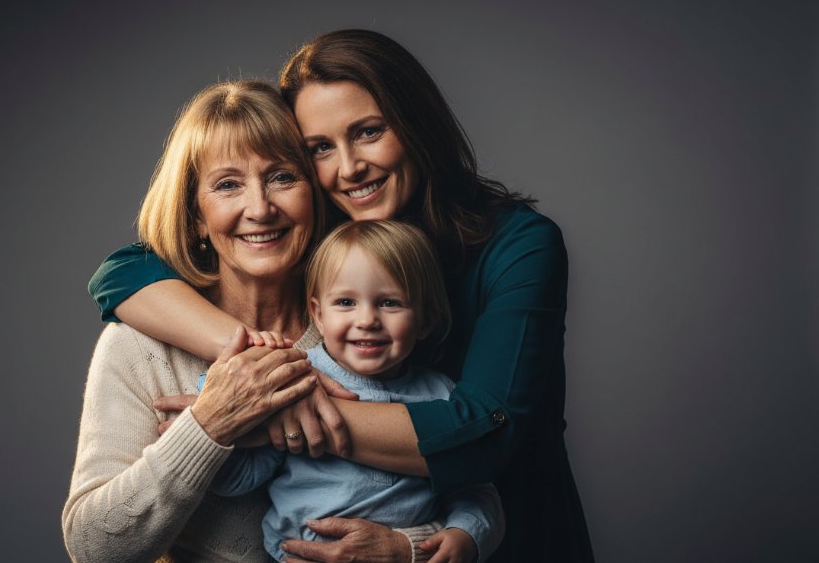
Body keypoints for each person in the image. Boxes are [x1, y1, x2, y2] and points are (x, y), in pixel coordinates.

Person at [88, 30, 594, 562]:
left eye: (369, 132)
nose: (350, 167)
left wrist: (278, 406)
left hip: (513, 539)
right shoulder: (332, 230)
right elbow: (121, 271)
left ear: (417, 124)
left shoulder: (515, 244)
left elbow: (483, 437)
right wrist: (261, 364)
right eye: (320, 149)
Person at [63, 80, 493, 563]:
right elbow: (94, 549)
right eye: (228, 185)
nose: (260, 208)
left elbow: (472, 484)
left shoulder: (374, 327)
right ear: (196, 216)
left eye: (282, 178)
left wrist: (407, 549)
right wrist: (207, 425)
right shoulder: (138, 345)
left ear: (314, 192)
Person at [210, 219, 504, 563]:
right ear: (318, 316)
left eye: (390, 303)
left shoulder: (441, 395)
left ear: (424, 320)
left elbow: (476, 489)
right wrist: (214, 429)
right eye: (346, 303)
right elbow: (239, 478)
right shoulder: (297, 375)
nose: (367, 320)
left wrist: (466, 533)